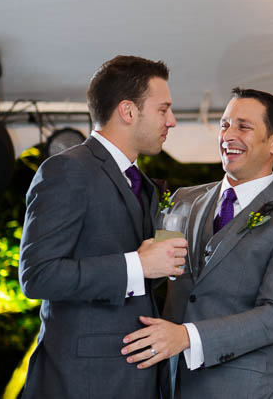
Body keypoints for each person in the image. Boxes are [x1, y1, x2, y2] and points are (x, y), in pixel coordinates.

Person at [121, 88, 273, 398]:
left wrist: (186, 337)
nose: (227, 135)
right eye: (223, 125)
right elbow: (160, 276)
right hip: (167, 384)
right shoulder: (182, 200)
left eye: (243, 127)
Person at [19, 56, 186, 398]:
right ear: (127, 111)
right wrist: (137, 264)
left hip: (137, 377)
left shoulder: (144, 184)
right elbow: (38, 275)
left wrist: (161, 263)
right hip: (84, 380)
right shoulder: (67, 170)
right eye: (163, 109)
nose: (172, 121)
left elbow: (137, 276)